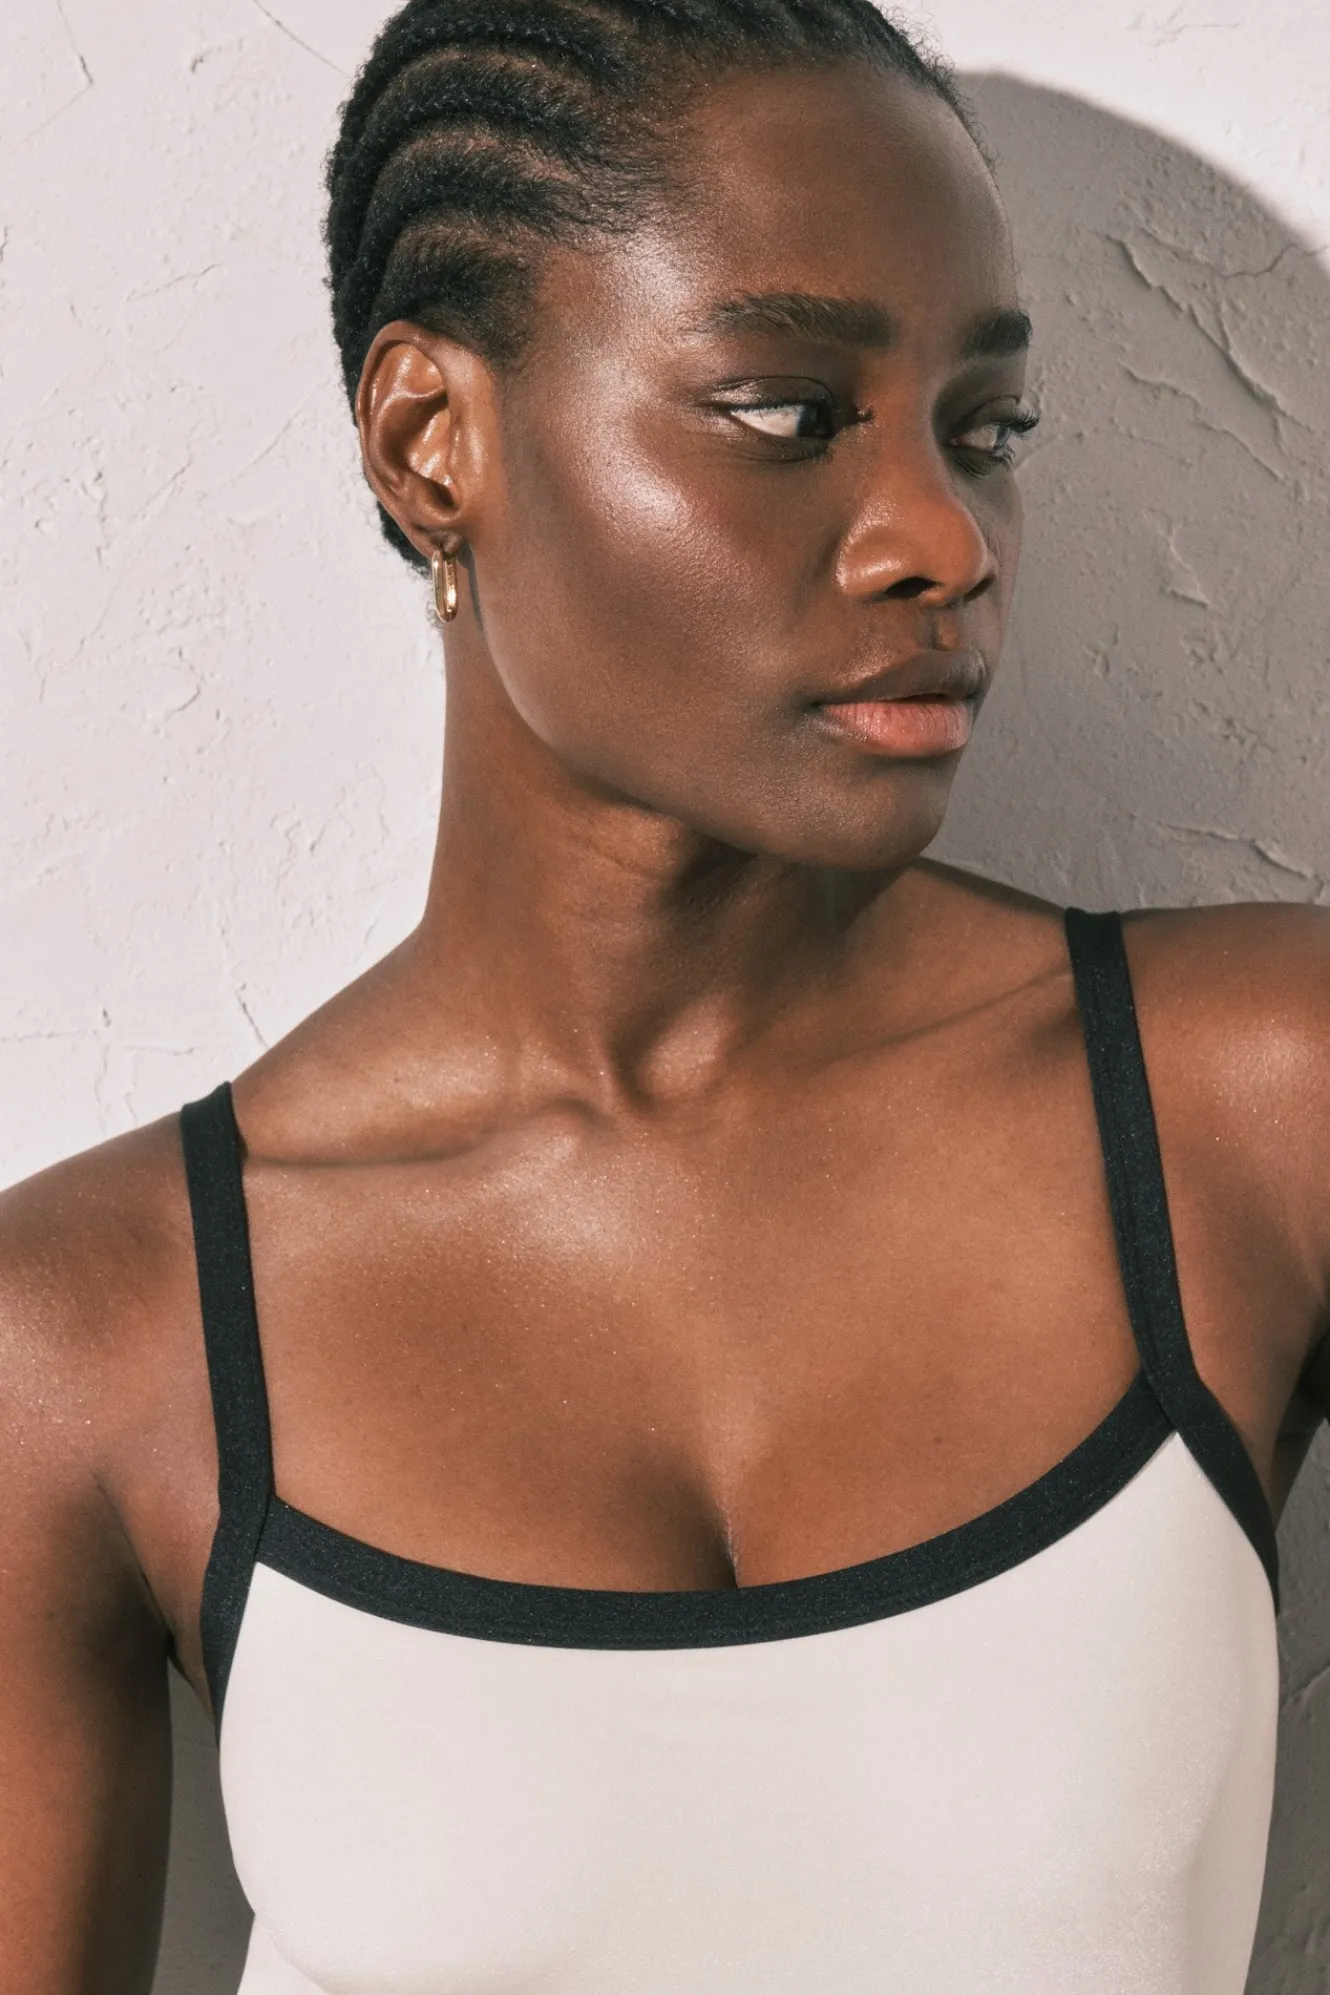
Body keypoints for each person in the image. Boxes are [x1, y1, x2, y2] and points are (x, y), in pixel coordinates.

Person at [3, 0, 1328, 1988]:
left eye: (985, 431)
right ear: (430, 441)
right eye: (785, 415)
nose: (941, 540)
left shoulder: (1257, 1096)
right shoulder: (97, 1329)